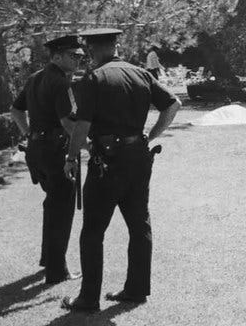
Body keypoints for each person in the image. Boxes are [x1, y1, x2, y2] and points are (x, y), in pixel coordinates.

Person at [60, 28, 181, 313]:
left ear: (92, 49)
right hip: (138, 156)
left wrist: (70, 156)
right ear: (115, 45)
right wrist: (150, 136)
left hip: (108, 162)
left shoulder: (94, 78)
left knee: (92, 230)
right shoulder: (141, 73)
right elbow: (173, 104)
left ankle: (88, 299)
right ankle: (136, 290)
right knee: (139, 225)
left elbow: (83, 125)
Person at [10, 34, 85, 285]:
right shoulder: (60, 82)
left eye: (80, 56)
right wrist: (89, 146)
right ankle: (57, 270)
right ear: (56, 56)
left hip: (37, 150)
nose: (78, 60)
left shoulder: (35, 78)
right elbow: (67, 123)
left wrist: (27, 133)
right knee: (61, 210)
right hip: (55, 152)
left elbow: (16, 110)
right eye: (72, 56)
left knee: (52, 205)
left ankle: (49, 260)